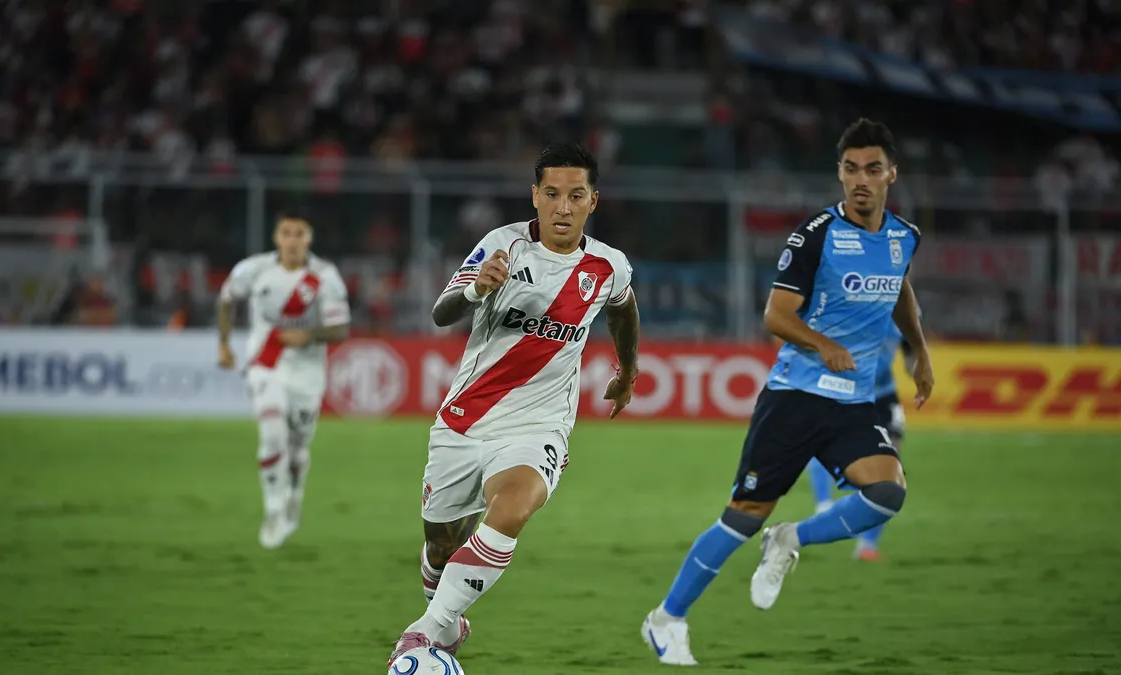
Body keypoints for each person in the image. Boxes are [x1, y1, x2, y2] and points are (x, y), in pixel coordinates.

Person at [641, 118, 934, 666]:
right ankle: (666, 619)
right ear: (840, 174)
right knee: (742, 515)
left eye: (873, 169)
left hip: (851, 402)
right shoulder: (816, 234)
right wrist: (821, 343)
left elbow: (901, 291)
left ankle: (790, 538)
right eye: (851, 169)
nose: (861, 180)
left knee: (887, 492)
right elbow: (776, 314)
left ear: (892, 173)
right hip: (796, 396)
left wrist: (919, 351)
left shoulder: (903, 237)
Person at [388, 142, 642, 664]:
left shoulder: (607, 266)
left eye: (576, 195)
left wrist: (627, 369)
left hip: (540, 425)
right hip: (466, 422)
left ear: (594, 201)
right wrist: (478, 288)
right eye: (552, 194)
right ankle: (446, 615)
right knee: (440, 548)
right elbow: (441, 313)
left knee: (514, 506)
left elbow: (623, 308)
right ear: (535, 196)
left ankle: (424, 633)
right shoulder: (501, 246)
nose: (563, 207)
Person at [216, 212, 351, 549]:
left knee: (297, 447)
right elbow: (226, 299)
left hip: (307, 374)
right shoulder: (254, 269)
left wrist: (309, 335)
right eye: (286, 233)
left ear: (309, 238)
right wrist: (223, 343)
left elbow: (341, 329)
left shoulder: (325, 277)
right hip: (266, 364)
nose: (292, 240)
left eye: (299, 233)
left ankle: (294, 495)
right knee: (272, 428)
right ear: (276, 237)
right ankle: (274, 510)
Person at [805, 324, 915, 561]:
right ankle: (823, 504)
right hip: (843, 389)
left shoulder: (902, 312)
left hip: (883, 395)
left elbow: (911, 347)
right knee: (819, 440)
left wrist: (916, 368)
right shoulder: (855, 302)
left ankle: (867, 546)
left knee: (890, 468)